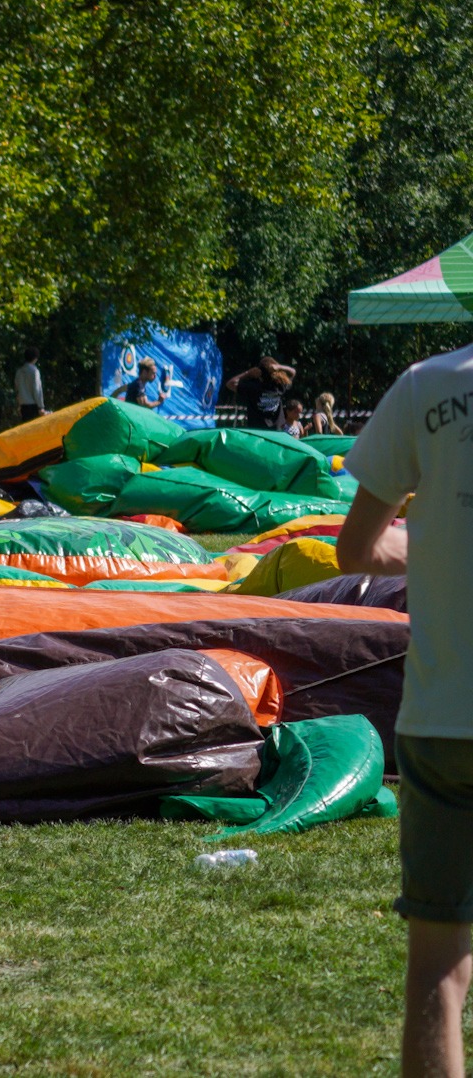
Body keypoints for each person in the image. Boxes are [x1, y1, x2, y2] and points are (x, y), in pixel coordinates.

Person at [336, 348, 473, 1078]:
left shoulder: (425, 386)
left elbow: (354, 549)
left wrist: (435, 543)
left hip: (444, 719)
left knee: (437, 971)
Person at [226, 355, 295, 431]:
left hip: (258, 430)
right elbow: (292, 372)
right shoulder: (279, 385)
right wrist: (279, 367)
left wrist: (248, 373)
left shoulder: (254, 386)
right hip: (276, 430)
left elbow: (230, 383)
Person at [15, 348, 45, 422]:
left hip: (23, 406)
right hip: (33, 406)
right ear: (35, 358)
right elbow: (37, 390)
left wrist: (18, 405)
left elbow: (17, 389)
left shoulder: (19, 372)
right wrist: (41, 406)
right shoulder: (34, 371)